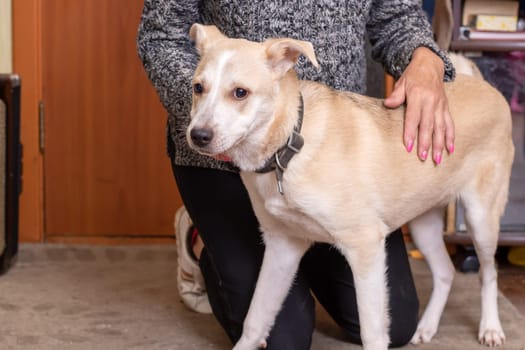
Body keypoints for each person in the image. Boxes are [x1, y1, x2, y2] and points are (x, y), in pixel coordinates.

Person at [137, 1, 456, 348]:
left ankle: (302, 234)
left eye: (238, 93)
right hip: (220, 163)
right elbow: (161, 34)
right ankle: (203, 237)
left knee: (396, 326)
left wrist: (424, 56)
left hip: (331, 149)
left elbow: (395, 16)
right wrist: (214, 117)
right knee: (283, 341)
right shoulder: (213, 118)